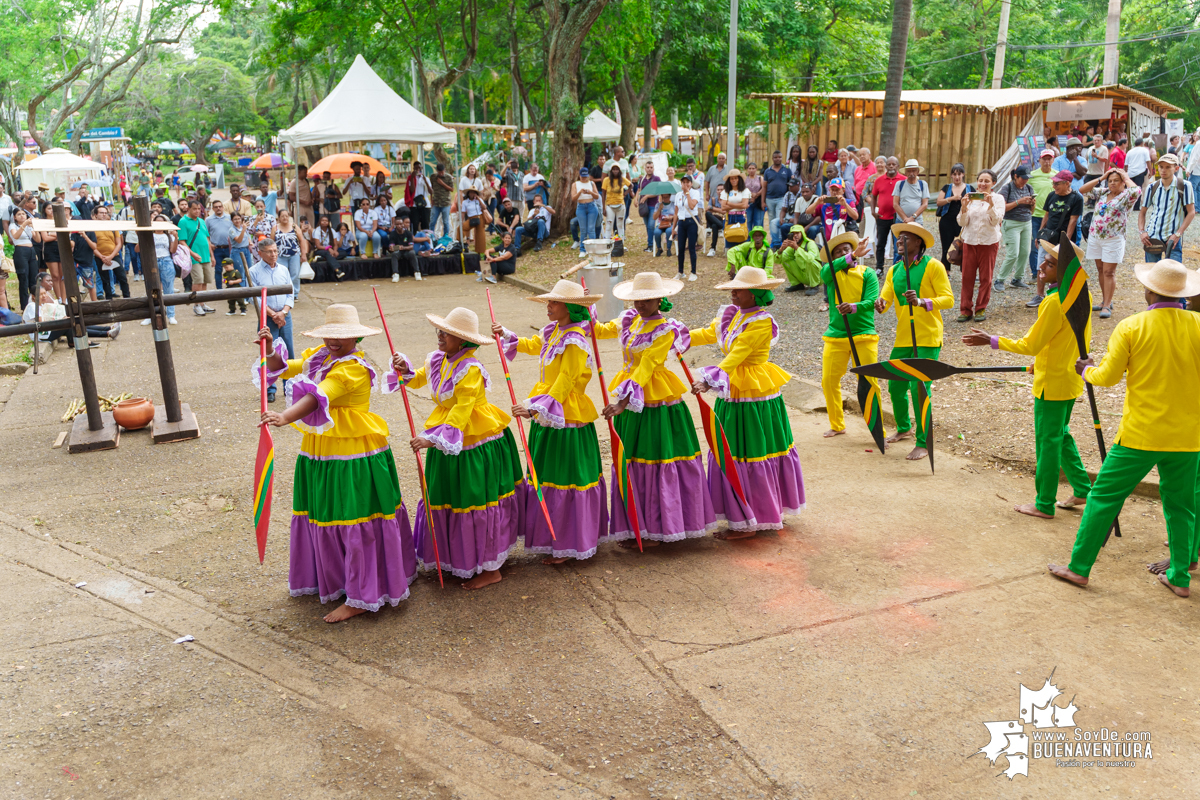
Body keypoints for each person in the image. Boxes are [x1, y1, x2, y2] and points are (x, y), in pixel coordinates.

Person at [1048, 259, 1200, 597]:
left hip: (1141, 434)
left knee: (1103, 497)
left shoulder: (1133, 326)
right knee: (1181, 506)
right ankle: (1179, 576)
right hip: (1188, 436)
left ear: (1148, 291)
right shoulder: (1198, 324)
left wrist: (1086, 369)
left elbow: (1107, 377)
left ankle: (1079, 568)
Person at [256, 304, 416, 622]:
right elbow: (286, 367)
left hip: (355, 455)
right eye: (330, 335)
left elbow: (319, 396)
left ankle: (361, 594)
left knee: (354, 517)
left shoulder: (353, 368)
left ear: (356, 337)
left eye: (341, 337)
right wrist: (270, 347)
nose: (333, 341)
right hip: (324, 450)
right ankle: (342, 579)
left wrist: (284, 416)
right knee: (330, 513)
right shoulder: (323, 356)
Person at [387, 307, 525, 589]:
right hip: (448, 437)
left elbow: (462, 411)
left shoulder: (471, 370)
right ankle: (461, 557)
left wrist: (432, 438)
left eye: (447, 333)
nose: (440, 336)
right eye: (440, 331)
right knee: (450, 498)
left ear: (462, 340)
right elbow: (418, 379)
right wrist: (404, 369)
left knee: (476, 500)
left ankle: (490, 568)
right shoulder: (440, 359)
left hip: (471, 439)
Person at [963, 239, 1093, 518]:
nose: (1042, 265)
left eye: (1051, 263)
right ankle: (1082, 489)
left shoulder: (1054, 302)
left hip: (1053, 384)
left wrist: (993, 340)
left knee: (1048, 442)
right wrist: (1041, 360)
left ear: (1065, 271)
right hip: (1069, 379)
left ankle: (1044, 503)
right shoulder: (1082, 294)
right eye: (1044, 260)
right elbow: (1064, 340)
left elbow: (1031, 344)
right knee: (1060, 434)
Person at [593, 272, 717, 545]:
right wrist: (583, 315)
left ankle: (661, 528)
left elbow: (648, 364)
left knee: (657, 460)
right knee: (635, 462)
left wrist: (622, 403)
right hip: (633, 395)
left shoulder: (666, 329)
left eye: (647, 299)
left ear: (660, 299)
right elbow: (601, 331)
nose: (641, 304)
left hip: (655, 400)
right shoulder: (630, 320)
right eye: (637, 299)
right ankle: (638, 524)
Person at [493, 281, 609, 563]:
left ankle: (571, 542)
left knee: (566, 478)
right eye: (548, 302)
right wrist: (507, 335)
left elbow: (566, 380)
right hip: (549, 413)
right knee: (548, 479)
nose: (548, 307)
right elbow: (534, 345)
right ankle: (554, 537)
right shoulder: (555, 331)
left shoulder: (575, 339)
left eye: (553, 303)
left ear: (569, 307)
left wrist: (536, 408)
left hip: (566, 415)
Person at [690, 267, 805, 536]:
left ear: (754, 294)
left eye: (739, 289)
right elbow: (708, 333)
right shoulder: (732, 315)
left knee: (751, 449)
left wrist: (710, 379)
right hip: (734, 388)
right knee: (736, 448)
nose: (734, 292)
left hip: (752, 392)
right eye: (734, 287)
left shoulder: (762, 322)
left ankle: (752, 519)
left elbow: (738, 354)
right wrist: (672, 335)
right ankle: (754, 511)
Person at [874, 224, 954, 461]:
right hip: (904, 337)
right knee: (895, 385)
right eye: (898, 238)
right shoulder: (895, 270)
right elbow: (885, 300)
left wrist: (921, 301)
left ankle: (923, 441)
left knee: (918, 388)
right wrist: (880, 305)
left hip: (927, 336)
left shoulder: (933, 266)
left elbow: (948, 300)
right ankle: (903, 427)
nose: (900, 241)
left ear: (919, 243)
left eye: (905, 238)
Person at [816, 232, 881, 438]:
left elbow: (872, 301)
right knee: (828, 380)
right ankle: (837, 425)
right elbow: (825, 273)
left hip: (864, 334)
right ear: (834, 258)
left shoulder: (868, 273)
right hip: (835, 335)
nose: (844, 253)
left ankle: (878, 430)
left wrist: (853, 307)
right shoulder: (830, 273)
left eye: (847, 249)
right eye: (838, 252)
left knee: (870, 381)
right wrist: (851, 256)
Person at [1081, 168, 1140, 318]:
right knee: (1100, 270)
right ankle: (1104, 300)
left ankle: (1107, 305)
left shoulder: (1126, 195)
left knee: (1109, 272)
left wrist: (1125, 176)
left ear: (1122, 183)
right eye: (1111, 181)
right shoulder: (1103, 192)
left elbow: (1136, 191)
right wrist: (1103, 177)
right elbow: (1083, 189)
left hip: (1114, 239)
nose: (1112, 183)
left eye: (1116, 181)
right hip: (1095, 236)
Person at [249, 240, 295, 404]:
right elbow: (255, 297)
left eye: (275, 251)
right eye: (269, 251)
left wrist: (283, 312)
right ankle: (270, 389)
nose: (273, 254)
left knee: (288, 352)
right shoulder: (253, 271)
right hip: (267, 317)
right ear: (260, 253)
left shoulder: (283, 269)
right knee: (268, 353)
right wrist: (273, 314)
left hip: (285, 316)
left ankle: (289, 386)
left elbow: (291, 292)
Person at [956, 170, 1004, 323]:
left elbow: (996, 220)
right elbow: (962, 222)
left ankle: (981, 308)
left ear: (993, 183)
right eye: (980, 180)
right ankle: (965, 309)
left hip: (989, 242)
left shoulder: (998, 198)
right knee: (967, 277)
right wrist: (964, 207)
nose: (983, 184)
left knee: (986, 278)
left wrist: (990, 205)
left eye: (987, 181)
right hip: (970, 241)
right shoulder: (970, 197)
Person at [1137, 153, 1195, 263]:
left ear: (1176, 168)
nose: (1163, 170)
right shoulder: (1152, 187)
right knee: (1153, 275)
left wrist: (1178, 234)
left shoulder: (1185, 186)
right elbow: (1142, 212)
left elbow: (1191, 212)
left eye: (1168, 167)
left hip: (1173, 238)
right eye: (1161, 167)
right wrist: (1142, 231)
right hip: (1152, 237)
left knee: (1174, 274)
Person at [994, 166, 1037, 291]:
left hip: (1026, 222)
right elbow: (1002, 208)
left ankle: (1017, 278)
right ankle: (1000, 279)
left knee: (1025, 252)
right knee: (1013, 253)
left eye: (1027, 178)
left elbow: (1032, 211)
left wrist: (1032, 204)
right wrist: (1019, 201)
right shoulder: (1007, 188)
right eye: (1023, 178)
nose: (1025, 181)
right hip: (1011, 223)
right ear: (1015, 176)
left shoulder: (1029, 188)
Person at [935, 163, 972, 261]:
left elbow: (975, 203)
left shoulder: (970, 188)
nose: (957, 177)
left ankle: (964, 272)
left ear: (963, 175)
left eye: (959, 174)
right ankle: (946, 271)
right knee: (946, 247)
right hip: (947, 221)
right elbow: (938, 202)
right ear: (951, 175)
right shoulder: (946, 187)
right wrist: (951, 198)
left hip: (964, 221)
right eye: (954, 174)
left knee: (965, 247)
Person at [805, 177, 859, 244]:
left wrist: (845, 205)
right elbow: (808, 211)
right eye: (832, 190)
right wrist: (817, 202)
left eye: (837, 190)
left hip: (845, 240)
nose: (834, 192)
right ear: (829, 190)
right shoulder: (824, 203)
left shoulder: (849, 202)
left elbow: (855, 216)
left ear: (843, 191)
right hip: (829, 242)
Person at [871, 157, 903, 270]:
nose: (890, 166)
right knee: (881, 244)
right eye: (889, 164)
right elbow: (873, 196)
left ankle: (897, 268)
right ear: (886, 166)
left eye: (893, 164)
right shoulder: (879, 180)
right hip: (882, 217)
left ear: (897, 166)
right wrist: (873, 210)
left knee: (898, 245)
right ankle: (879, 268)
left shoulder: (903, 180)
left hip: (898, 217)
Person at [93, 205, 130, 300]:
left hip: (114, 255)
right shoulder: (92, 228)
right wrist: (102, 257)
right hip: (100, 257)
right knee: (105, 280)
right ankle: (109, 299)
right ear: (96, 215)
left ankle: (127, 298)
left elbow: (119, 243)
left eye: (105, 213)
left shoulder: (113, 226)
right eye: (101, 213)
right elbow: (92, 246)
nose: (104, 215)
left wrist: (111, 256)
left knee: (122, 278)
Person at [9, 208, 39, 310]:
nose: (22, 216)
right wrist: (24, 225)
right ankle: (24, 306)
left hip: (31, 250)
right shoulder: (13, 226)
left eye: (23, 214)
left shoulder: (29, 227)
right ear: (15, 217)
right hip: (20, 251)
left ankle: (35, 304)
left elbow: (38, 239)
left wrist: (34, 227)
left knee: (34, 278)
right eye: (19, 214)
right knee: (23, 278)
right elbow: (15, 236)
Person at [674, 174, 702, 281]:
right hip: (681, 222)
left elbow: (691, 206)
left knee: (691, 247)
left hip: (691, 221)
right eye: (683, 182)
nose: (685, 184)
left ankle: (693, 272)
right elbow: (676, 212)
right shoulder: (678, 195)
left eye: (688, 182)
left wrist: (688, 194)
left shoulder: (695, 193)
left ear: (691, 183)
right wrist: (674, 228)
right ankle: (680, 271)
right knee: (680, 248)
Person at [762, 151, 792, 248]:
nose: (777, 159)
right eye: (775, 157)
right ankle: (774, 241)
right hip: (769, 199)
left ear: (782, 158)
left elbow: (790, 185)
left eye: (779, 157)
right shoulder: (767, 171)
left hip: (782, 199)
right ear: (772, 158)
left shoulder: (787, 170)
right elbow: (764, 187)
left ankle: (779, 242)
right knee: (771, 221)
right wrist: (763, 201)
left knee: (779, 220)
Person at [778, 226, 821, 293]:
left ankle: (814, 286)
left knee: (810, 261)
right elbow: (778, 260)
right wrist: (781, 250)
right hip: (804, 276)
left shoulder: (810, 243)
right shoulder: (792, 246)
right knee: (785, 261)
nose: (795, 236)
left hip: (818, 276)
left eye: (797, 233)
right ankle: (797, 285)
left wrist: (797, 248)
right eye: (793, 234)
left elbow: (810, 259)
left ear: (802, 234)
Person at [275, 208, 305, 295]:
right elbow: (272, 241)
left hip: (294, 254)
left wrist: (303, 254)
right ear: (279, 217)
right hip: (280, 255)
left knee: (295, 274)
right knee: (281, 275)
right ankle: (283, 293)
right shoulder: (275, 227)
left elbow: (301, 240)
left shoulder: (294, 226)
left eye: (286, 216)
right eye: (282, 216)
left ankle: (294, 293)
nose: (285, 218)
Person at [634, 160, 662, 252]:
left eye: (651, 167)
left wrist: (647, 196)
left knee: (651, 225)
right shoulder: (642, 179)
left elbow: (657, 192)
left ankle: (651, 245)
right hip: (644, 206)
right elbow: (639, 190)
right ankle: (651, 243)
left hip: (653, 205)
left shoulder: (656, 179)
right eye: (648, 167)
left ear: (653, 168)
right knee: (647, 226)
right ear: (645, 168)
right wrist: (635, 198)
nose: (649, 169)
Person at [572, 167, 600, 257]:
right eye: (582, 176)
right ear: (579, 176)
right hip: (581, 207)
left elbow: (597, 196)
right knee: (583, 229)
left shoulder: (592, 183)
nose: (584, 178)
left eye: (585, 176)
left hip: (591, 206)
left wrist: (590, 192)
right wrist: (580, 192)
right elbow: (573, 198)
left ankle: (592, 250)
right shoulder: (575, 184)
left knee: (591, 229)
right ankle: (583, 249)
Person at [70, 220, 100, 302]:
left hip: (86, 263)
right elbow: (72, 245)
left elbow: (94, 247)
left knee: (90, 285)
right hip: (75, 262)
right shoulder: (73, 234)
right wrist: (68, 234)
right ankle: (74, 303)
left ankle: (95, 303)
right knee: (72, 283)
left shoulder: (90, 232)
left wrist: (85, 236)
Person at [601, 164, 631, 241]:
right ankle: (607, 243)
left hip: (620, 205)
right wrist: (603, 208)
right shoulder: (606, 180)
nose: (615, 171)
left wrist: (625, 193)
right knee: (609, 224)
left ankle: (621, 243)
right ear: (611, 171)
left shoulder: (622, 179)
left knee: (620, 225)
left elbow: (631, 185)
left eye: (617, 169)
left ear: (619, 171)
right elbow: (603, 194)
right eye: (613, 169)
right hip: (610, 205)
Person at [460, 187, 489, 255]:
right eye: (471, 192)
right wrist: (461, 221)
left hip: (479, 217)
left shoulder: (479, 200)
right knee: (461, 229)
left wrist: (478, 198)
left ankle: (480, 252)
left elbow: (484, 207)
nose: (472, 194)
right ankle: (460, 245)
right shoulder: (465, 202)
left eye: (474, 192)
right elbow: (463, 212)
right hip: (471, 218)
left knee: (480, 235)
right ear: (468, 193)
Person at [430, 162, 454, 238]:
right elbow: (431, 188)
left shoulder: (448, 177)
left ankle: (445, 237)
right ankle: (431, 237)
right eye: (439, 172)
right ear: (437, 171)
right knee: (432, 221)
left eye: (442, 172)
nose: (441, 174)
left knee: (445, 222)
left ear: (445, 170)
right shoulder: (433, 177)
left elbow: (452, 189)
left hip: (445, 203)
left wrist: (442, 183)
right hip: (436, 203)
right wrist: (431, 199)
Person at [652, 192, 675, 257]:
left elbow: (677, 216)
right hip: (661, 224)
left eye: (667, 197)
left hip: (670, 223)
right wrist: (659, 209)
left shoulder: (673, 204)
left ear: (670, 196)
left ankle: (668, 249)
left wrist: (671, 217)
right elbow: (654, 217)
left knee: (669, 231)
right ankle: (659, 248)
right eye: (664, 197)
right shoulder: (658, 205)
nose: (665, 199)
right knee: (656, 232)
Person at [744, 162, 764, 231]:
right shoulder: (744, 179)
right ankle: (748, 239)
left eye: (753, 168)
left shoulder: (760, 178)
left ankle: (758, 238)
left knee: (758, 222)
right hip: (748, 202)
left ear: (756, 169)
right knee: (748, 221)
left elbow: (763, 188)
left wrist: (756, 195)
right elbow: (742, 189)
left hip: (758, 202)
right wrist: (750, 194)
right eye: (750, 168)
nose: (751, 170)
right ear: (747, 170)